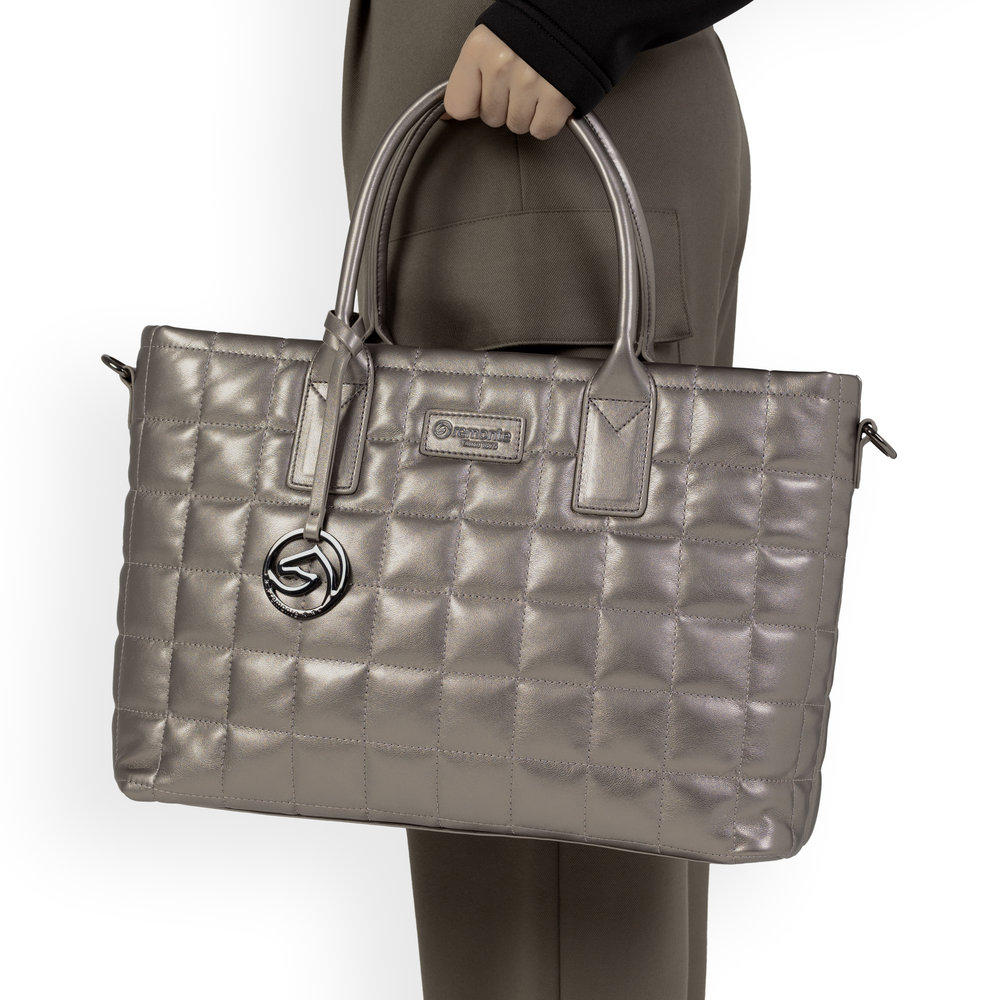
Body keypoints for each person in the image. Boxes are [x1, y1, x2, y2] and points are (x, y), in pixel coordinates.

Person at [341, 2, 753, 997]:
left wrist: (574, 18)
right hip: (503, 136)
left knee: (560, 799)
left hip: (538, 135)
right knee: (519, 757)